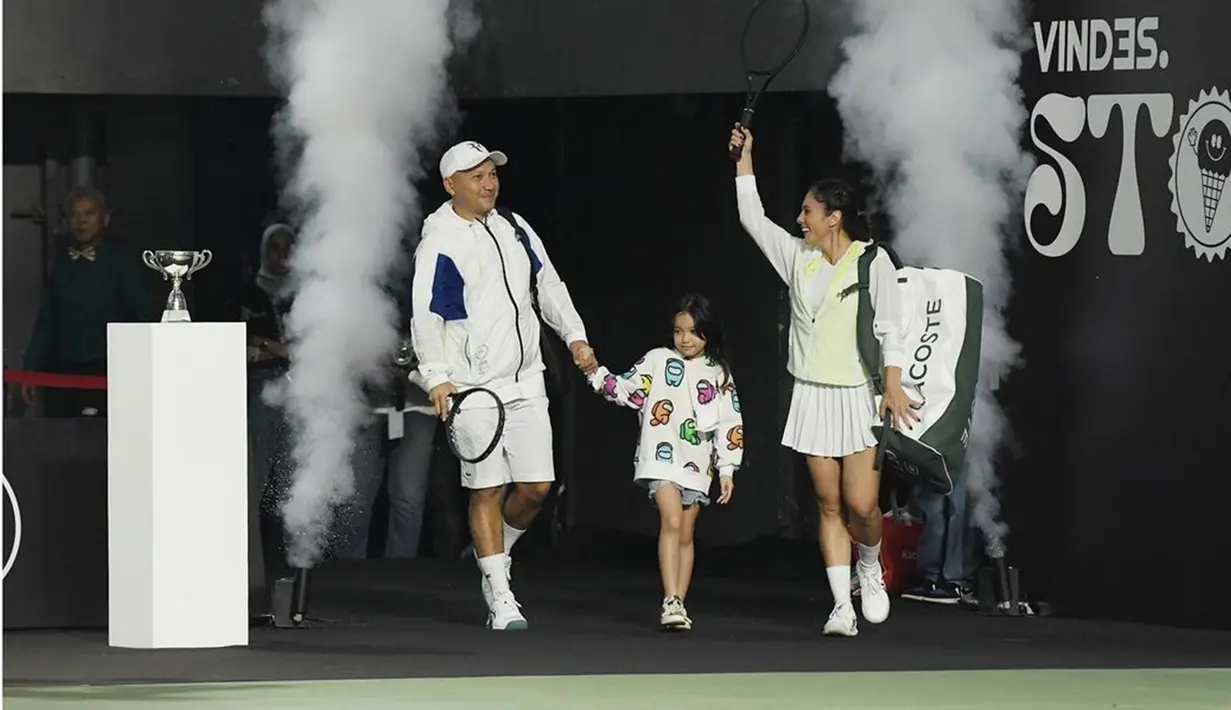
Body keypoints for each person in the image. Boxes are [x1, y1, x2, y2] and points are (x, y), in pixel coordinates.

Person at [729, 125, 919, 637]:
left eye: (808, 212)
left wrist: (894, 383)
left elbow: (890, 327)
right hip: (811, 393)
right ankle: (841, 606)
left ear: (833, 217)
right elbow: (752, 217)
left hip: (857, 395)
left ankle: (871, 564)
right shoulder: (797, 256)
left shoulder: (873, 260)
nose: (799, 219)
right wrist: (745, 159)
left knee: (862, 505)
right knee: (829, 503)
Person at [410, 140, 596, 630]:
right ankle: (499, 594)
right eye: (476, 176)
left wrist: (574, 337)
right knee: (487, 489)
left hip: (526, 379)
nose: (489, 183)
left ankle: (495, 553)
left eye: (492, 173)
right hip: (473, 388)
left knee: (538, 487)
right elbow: (427, 315)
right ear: (451, 186)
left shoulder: (514, 226)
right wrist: (437, 377)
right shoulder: (439, 241)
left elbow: (549, 284)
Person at [587, 293, 743, 631]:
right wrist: (596, 375)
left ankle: (679, 604)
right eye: (678, 331)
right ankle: (670, 599)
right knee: (671, 521)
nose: (684, 339)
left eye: (692, 331)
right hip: (659, 457)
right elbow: (629, 391)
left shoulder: (719, 374)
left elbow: (730, 423)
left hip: (698, 464)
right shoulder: (657, 360)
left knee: (686, 533)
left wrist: (728, 468)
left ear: (707, 332)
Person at [22, 187, 154, 416]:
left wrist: (139, 370)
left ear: (105, 219)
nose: (81, 220)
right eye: (74, 214)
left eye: (88, 213)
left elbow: (143, 317)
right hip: (62, 372)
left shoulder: (122, 265)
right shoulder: (61, 268)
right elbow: (46, 323)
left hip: (108, 371)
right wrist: (31, 369)